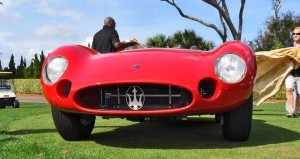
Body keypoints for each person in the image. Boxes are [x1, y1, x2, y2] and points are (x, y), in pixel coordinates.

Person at [285, 26, 300, 117]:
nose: (295, 35)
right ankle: (291, 110)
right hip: (290, 72)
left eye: (297, 34)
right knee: (289, 89)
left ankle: (296, 111)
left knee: (299, 94)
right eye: (294, 34)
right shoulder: (288, 46)